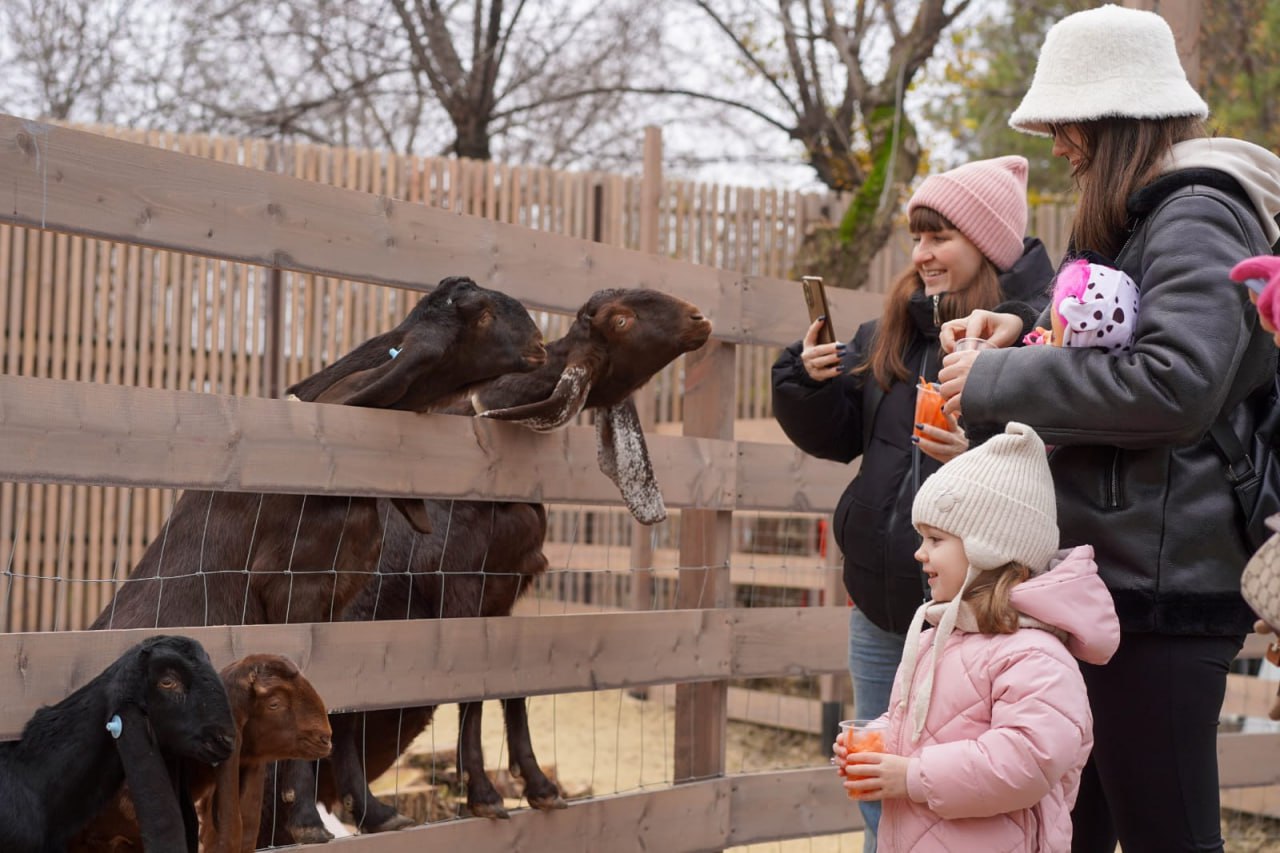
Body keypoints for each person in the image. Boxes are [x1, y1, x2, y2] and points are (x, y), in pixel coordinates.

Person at [935, 6, 1280, 852]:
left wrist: (997, 381)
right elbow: (1117, 345)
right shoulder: (1153, 219)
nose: (1060, 146)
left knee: (1167, 832)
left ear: (1113, 119)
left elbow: (1176, 383)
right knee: (1075, 828)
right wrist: (1023, 334)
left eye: (1068, 125)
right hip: (1122, 578)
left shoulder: (1196, 214)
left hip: (1161, 587)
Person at [771, 155, 1053, 850]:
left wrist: (971, 458)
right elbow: (839, 438)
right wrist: (805, 381)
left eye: (940, 237)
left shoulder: (1033, 340)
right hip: (882, 607)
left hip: (981, 618)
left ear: (986, 245)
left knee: (956, 798)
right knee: (878, 791)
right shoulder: (887, 332)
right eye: (917, 237)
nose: (921, 254)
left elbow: (1046, 469)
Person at [835, 422, 1119, 852]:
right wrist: (877, 743)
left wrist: (911, 777)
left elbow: (1028, 761)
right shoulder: (938, 638)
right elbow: (916, 726)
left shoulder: (1036, 656)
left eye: (935, 539)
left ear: (990, 549)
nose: (919, 552)